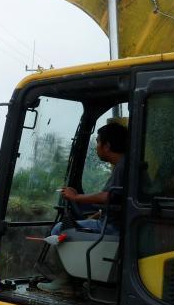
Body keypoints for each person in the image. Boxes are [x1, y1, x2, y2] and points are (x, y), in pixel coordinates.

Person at [39, 122, 128, 294]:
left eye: (97, 142)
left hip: (112, 228)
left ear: (107, 145)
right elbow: (118, 201)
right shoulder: (125, 165)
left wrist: (76, 197)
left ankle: (65, 282)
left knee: (60, 229)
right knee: (79, 224)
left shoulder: (123, 166)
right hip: (112, 222)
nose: (96, 147)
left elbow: (108, 196)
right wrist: (96, 215)